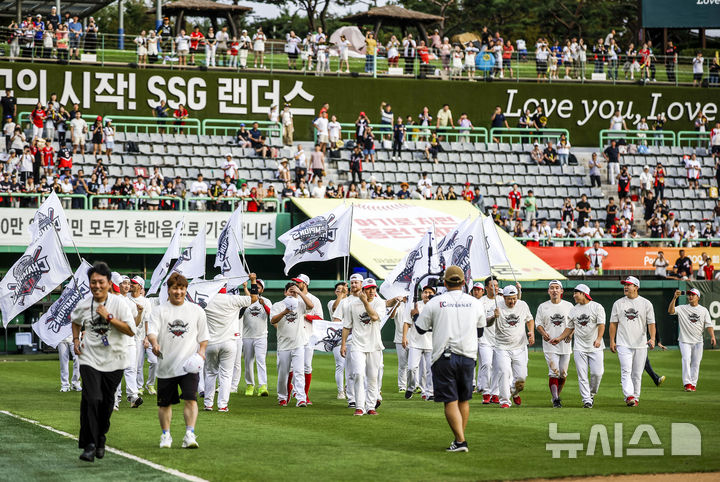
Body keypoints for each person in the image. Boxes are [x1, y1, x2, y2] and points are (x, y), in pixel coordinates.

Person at [414, 266, 487, 453]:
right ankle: (459, 438)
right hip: (468, 355)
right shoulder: (475, 303)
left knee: (451, 400)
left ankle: (461, 441)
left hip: (444, 356)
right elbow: (480, 331)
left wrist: (415, 316)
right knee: (463, 399)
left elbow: (421, 329)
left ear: (444, 283)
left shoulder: (435, 302)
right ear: (464, 283)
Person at [71, 262, 135, 462]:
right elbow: (75, 320)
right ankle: (89, 445)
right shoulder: (84, 304)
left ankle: (100, 437)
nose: (96, 286)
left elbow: (130, 330)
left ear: (108, 284)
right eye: (93, 282)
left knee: (107, 403)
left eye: (100, 282)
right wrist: (75, 340)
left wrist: (109, 318)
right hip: (89, 358)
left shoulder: (120, 304)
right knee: (91, 398)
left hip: (115, 359)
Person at [147, 273, 209, 449]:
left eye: (182, 288)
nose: (178, 292)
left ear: (186, 290)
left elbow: (203, 337)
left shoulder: (196, 310)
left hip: (189, 365)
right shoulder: (160, 310)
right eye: (175, 288)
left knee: (191, 399)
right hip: (166, 365)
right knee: (165, 403)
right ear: (168, 290)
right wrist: (154, 343)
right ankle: (166, 435)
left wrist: (202, 352)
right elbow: (152, 331)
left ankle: (189, 434)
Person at [202, 275, 257, 412]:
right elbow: (254, 298)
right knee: (226, 375)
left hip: (211, 343)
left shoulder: (207, 300)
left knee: (210, 373)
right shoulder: (233, 299)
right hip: (229, 342)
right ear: (225, 286)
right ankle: (222, 405)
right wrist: (253, 281)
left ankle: (208, 404)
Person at [550, 284, 605, 408]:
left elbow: (601, 324)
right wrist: (559, 338)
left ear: (584, 294)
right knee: (582, 374)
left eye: (576, 293)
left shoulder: (597, 307)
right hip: (579, 346)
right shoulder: (574, 310)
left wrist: (599, 339)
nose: (574, 295)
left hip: (595, 346)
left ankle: (591, 393)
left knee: (598, 373)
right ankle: (586, 400)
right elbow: (569, 328)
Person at [340, 278, 385, 416]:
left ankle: (370, 406)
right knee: (358, 374)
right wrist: (343, 344)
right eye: (369, 288)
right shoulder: (351, 305)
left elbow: (374, 317)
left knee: (372, 377)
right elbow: (347, 326)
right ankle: (359, 406)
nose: (372, 291)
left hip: (375, 345)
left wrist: (365, 302)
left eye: (374, 288)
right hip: (357, 344)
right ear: (363, 290)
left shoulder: (380, 302)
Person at [609, 276, 656, 407]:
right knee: (626, 370)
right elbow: (613, 324)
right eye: (625, 284)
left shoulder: (646, 303)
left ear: (636, 287)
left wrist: (652, 338)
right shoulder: (618, 303)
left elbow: (651, 323)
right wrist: (612, 341)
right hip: (623, 343)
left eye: (628, 284)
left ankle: (635, 397)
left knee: (637, 374)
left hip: (641, 344)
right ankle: (629, 395)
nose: (625, 286)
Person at [270, 282, 313, 407]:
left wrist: (300, 293)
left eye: (294, 291)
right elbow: (273, 320)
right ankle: (282, 397)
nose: (292, 293)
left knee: (299, 372)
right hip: (283, 345)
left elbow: (311, 305)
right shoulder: (278, 305)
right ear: (285, 292)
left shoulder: (300, 303)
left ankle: (301, 398)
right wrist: (285, 311)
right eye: (290, 291)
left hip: (298, 343)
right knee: (283, 373)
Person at [492, 285, 534, 408]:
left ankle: (513, 392)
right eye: (509, 299)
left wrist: (531, 332)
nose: (512, 301)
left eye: (514, 298)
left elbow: (530, 319)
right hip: (502, 347)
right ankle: (505, 401)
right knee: (504, 372)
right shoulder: (496, 306)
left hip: (520, 347)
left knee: (521, 378)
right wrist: (493, 317)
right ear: (504, 297)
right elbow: (487, 322)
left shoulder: (523, 305)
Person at [534, 280, 573, 408]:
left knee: (563, 373)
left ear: (562, 291)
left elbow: (575, 323)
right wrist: (543, 333)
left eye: (557, 288)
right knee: (554, 371)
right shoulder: (542, 306)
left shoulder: (569, 306)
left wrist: (571, 334)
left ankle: (556, 396)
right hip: (550, 343)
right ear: (548, 291)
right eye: (552, 288)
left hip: (565, 344)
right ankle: (556, 399)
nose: (554, 290)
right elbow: (538, 323)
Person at [668, 289, 716, 392]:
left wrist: (712, 336)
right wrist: (674, 298)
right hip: (684, 340)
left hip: (698, 341)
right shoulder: (682, 308)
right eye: (689, 294)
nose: (690, 296)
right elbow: (670, 311)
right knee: (686, 359)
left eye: (693, 295)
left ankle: (693, 384)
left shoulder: (703, 310)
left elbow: (708, 325)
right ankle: (687, 383)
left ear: (698, 297)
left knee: (696, 363)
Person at [290, 274, 323, 405]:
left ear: (305, 284)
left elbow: (320, 318)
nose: (296, 284)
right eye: (295, 282)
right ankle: (293, 391)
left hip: (309, 336)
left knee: (307, 367)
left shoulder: (314, 299)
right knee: (292, 367)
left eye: (299, 282)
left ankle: (305, 395)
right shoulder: (291, 298)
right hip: (294, 336)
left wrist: (306, 316)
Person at [402, 285, 435, 400]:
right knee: (411, 368)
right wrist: (404, 337)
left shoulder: (435, 306)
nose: (427, 294)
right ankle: (410, 387)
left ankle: (429, 392)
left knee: (430, 369)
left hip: (431, 342)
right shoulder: (414, 305)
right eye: (425, 292)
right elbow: (407, 322)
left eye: (429, 292)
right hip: (415, 342)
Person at [242, 278, 271, 397]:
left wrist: (264, 304)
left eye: (259, 287)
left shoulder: (266, 301)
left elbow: (272, 315)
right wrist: (244, 289)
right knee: (248, 362)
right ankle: (250, 385)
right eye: (255, 287)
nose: (257, 289)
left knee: (261, 361)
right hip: (247, 336)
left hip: (261, 336)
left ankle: (263, 386)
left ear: (262, 289)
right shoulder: (245, 301)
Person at [129, 276, 157, 395]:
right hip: (129, 335)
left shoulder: (146, 302)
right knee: (134, 364)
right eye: (131, 282)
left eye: (134, 283)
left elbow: (147, 320)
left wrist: (146, 338)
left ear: (140, 286)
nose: (131, 284)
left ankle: (146, 385)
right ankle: (137, 386)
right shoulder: (126, 298)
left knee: (148, 362)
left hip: (140, 336)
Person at [476, 277, 499, 404]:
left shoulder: (501, 300)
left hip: (500, 340)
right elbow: (482, 322)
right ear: (486, 288)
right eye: (492, 285)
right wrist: (493, 317)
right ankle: (486, 391)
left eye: (496, 285)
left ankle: (495, 393)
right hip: (484, 338)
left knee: (498, 366)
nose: (495, 287)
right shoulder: (480, 302)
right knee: (486, 364)